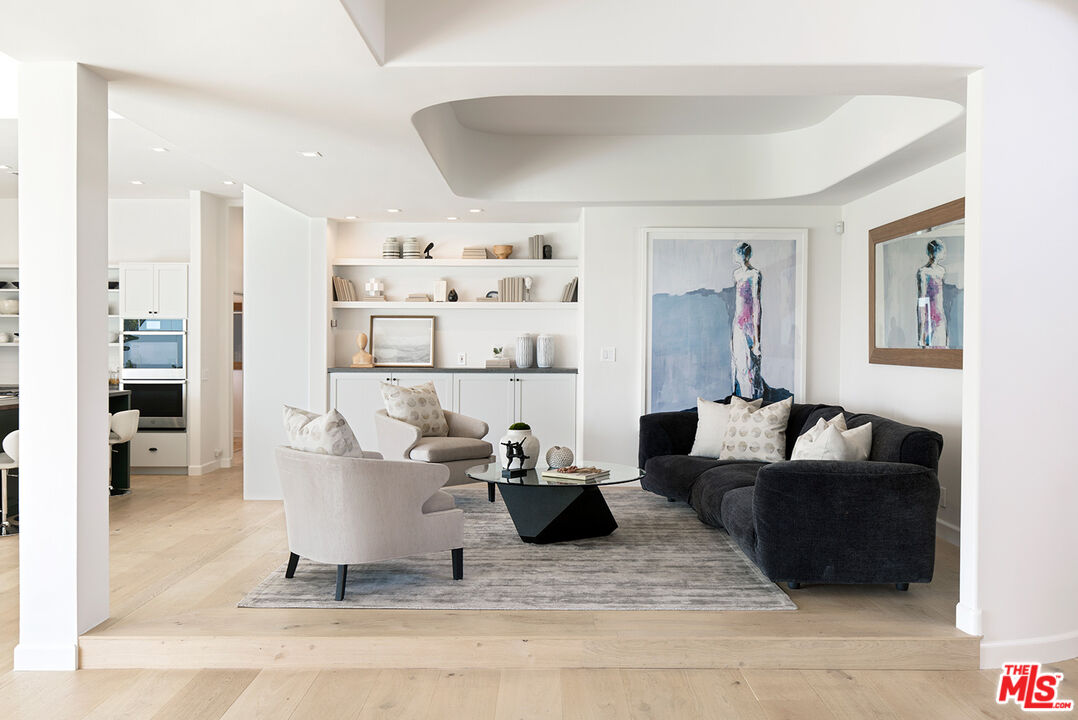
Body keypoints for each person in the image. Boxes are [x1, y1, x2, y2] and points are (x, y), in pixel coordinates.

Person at [731, 242, 763, 398]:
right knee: (739, 365)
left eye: (741, 253)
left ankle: (752, 401)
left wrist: (757, 340)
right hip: (738, 324)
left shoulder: (754, 274)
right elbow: (738, 302)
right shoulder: (736, 274)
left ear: (747, 255)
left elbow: (756, 304)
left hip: (749, 325)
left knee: (750, 366)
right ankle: (742, 400)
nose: (739, 256)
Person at [916, 239, 948, 348]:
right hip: (929, 317)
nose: (944, 253)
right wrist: (921, 335)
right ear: (935, 252)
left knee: (941, 349)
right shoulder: (923, 272)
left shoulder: (942, 271)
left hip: (940, 316)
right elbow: (922, 299)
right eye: (942, 250)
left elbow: (941, 298)